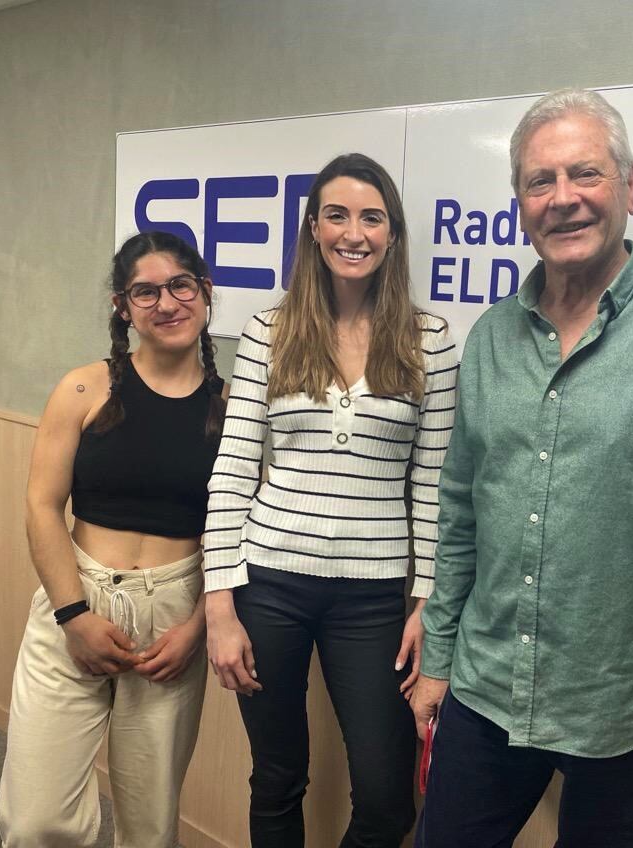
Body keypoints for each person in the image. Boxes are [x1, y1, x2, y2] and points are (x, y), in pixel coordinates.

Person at [411, 89, 633, 848]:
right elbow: (459, 515)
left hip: (632, 709)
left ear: (629, 188)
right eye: (539, 181)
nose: (563, 198)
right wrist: (438, 658)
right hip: (485, 689)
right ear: (518, 203)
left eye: (585, 174)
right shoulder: (487, 340)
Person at [202, 153, 458, 847]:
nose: (354, 232)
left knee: (384, 798)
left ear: (392, 234)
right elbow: (231, 470)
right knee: (278, 777)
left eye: (371, 217)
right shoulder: (269, 330)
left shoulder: (430, 341)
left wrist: (427, 601)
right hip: (268, 588)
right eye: (337, 215)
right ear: (312, 229)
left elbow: (434, 484)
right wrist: (219, 606)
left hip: (373, 599)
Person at [0, 231, 226, 848]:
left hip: (175, 617)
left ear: (205, 294)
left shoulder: (230, 408)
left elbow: (239, 537)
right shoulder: (84, 389)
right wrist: (74, 616)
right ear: (123, 307)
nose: (166, 303)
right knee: (35, 820)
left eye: (181, 285)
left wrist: (199, 627)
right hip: (77, 597)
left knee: (150, 828)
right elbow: (42, 507)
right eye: (144, 292)